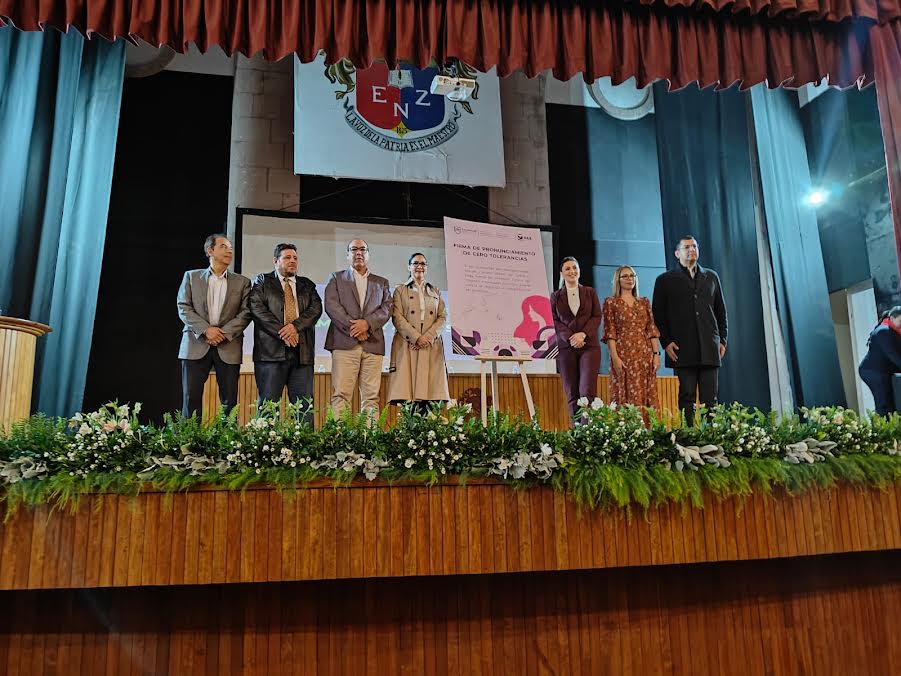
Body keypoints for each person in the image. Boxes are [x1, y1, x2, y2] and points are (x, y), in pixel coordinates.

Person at [652, 235, 727, 424]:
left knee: (711, 399)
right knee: (687, 396)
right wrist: (666, 342)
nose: (692, 249)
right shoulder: (665, 280)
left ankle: (712, 435)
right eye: (687, 247)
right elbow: (658, 315)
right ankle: (689, 435)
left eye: (694, 246)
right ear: (677, 253)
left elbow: (720, 311)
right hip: (681, 348)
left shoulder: (711, 276)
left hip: (709, 346)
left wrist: (722, 340)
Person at [176, 233, 251, 418]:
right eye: (223, 247)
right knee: (190, 398)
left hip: (229, 345)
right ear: (210, 251)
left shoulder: (243, 282)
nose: (229, 251)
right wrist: (206, 330)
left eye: (230, 247)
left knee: (229, 401)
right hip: (195, 344)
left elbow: (246, 312)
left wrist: (222, 333)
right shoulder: (191, 277)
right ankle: (190, 436)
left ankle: (227, 436)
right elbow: (183, 307)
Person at [249, 243, 323, 426]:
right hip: (270, 355)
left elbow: (316, 309)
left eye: (295, 258)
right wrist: (284, 332)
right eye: (287, 257)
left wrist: (295, 327)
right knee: (268, 406)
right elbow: (257, 309)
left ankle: (304, 443)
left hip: (301, 355)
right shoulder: (262, 282)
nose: (293, 261)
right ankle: (265, 443)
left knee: (304, 408)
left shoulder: (307, 285)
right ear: (276, 261)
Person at [324, 239, 393, 419]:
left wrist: (367, 324)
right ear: (348, 255)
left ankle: (369, 436)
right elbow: (332, 306)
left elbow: (387, 308)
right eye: (354, 249)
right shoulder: (336, 278)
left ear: (368, 254)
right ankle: (339, 435)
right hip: (344, 343)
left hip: (373, 344)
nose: (359, 253)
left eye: (363, 249)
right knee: (341, 395)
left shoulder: (382, 282)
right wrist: (355, 328)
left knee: (371, 398)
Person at [386, 253, 450, 412]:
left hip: (430, 346)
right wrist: (416, 338)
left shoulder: (435, 291)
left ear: (426, 268)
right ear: (409, 267)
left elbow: (443, 317)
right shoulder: (400, 290)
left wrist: (427, 337)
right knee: (408, 397)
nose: (419, 266)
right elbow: (397, 317)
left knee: (431, 397)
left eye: (423, 264)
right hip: (408, 346)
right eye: (415, 263)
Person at [550, 256, 603, 421]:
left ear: (579, 271)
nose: (572, 271)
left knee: (586, 391)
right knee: (572, 392)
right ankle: (577, 430)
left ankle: (587, 429)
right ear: (561, 273)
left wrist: (583, 334)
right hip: (566, 348)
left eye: (574, 268)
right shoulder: (555, 296)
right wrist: (570, 337)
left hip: (589, 347)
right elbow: (553, 320)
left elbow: (597, 316)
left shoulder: (590, 292)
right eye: (567, 268)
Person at [602, 265, 661, 409]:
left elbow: (651, 330)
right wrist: (615, 358)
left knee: (646, 394)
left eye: (632, 276)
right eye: (625, 276)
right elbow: (610, 333)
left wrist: (656, 355)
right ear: (618, 280)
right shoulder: (611, 302)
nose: (630, 279)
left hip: (644, 355)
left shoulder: (644, 302)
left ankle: (646, 423)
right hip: (623, 354)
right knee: (624, 394)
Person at [858, 306, 901, 416]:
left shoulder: (894, 331)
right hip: (874, 372)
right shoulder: (883, 331)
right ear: (892, 318)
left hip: (883, 371)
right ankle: (883, 425)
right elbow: (892, 355)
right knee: (884, 405)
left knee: (890, 403)